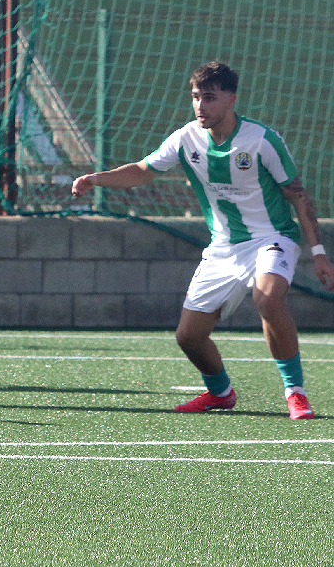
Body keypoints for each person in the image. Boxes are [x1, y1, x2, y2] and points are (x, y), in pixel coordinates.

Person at [72, 61, 334, 419]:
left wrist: (318, 253)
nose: (200, 106)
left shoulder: (261, 140)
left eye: (209, 98)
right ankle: (221, 393)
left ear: (231, 100)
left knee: (268, 299)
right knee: (188, 337)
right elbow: (144, 171)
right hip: (223, 247)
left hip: (271, 238)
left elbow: (299, 195)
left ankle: (296, 393)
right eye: (196, 97)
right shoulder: (186, 138)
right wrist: (96, 179)